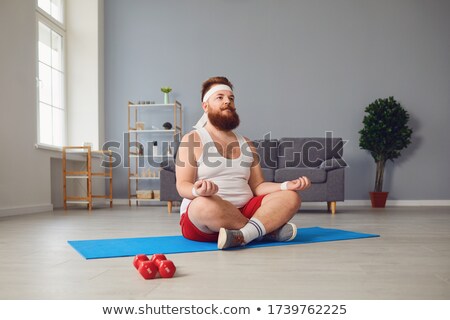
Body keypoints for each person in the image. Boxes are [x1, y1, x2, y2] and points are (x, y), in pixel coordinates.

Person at [175, 76, 311, 249]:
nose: (227, 102)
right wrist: (197, 189)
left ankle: (243, 234)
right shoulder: (192, 139)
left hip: (246, 209)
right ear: (205, 106)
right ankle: (263, 230)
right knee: (203, 205)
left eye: (231, 98)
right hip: (208, 217)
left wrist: (285, 185)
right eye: (220, 97)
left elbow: (258, 186)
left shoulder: (246, 143)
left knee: (291, 197)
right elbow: (182, 185)